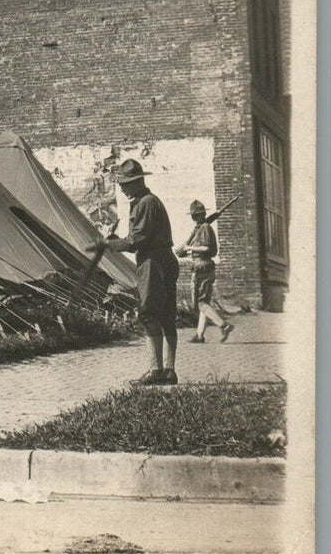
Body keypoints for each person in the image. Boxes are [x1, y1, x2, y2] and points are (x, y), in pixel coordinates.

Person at [89, 159, 180, 385]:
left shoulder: (145, 203)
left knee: (150, 314)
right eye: (121, 183)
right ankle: (169, 371)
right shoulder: (147, 201)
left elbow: (136, 240)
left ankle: (157, 371)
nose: (122, 187)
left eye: (126, 183)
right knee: (166, 316)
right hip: (162, 259)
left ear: (138, 182)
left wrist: (110, 245)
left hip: (153, 262)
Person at [179, 199, 233, 344]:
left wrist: (188, 249)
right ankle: (199, 335)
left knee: (200, 303)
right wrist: (184, 249)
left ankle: (224, 325)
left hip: (202, 269)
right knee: (205, 302)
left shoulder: (204, 228)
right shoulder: (202, 228)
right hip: (206, 267)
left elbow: (207, 248)